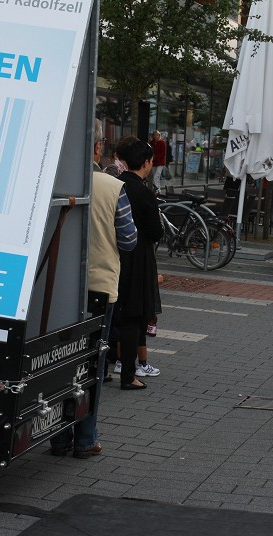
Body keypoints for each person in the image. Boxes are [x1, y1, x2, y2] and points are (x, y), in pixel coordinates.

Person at [51, 120, 137, 458]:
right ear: (98, 147)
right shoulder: (113, 187)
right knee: (92, 365)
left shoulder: (55, 182)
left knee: (57, 362)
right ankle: (85, 439)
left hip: (55, 288)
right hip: (99, 287)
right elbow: (129, 241)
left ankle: (57, 437)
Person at [115, 138, 164, 389]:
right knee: (133, 317)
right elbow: (156, 232)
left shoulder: (115, 185)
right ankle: (128, 375)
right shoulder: (144, 192)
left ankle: (104, 368)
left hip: (114, 256)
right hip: (138, 258)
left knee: (113, 313)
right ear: (146, 163)